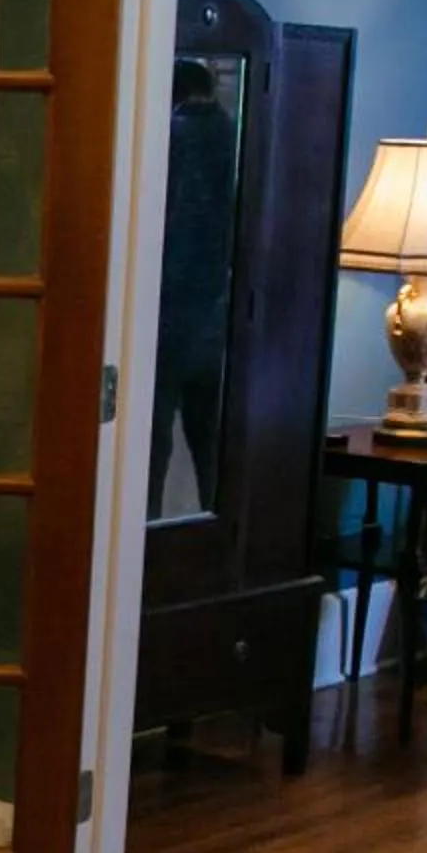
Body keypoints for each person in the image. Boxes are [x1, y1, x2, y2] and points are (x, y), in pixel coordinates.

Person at [151, 58, 242, 518]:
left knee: (152, 443)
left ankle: (141, 536)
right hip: (219, 313)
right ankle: (215, 536)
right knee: (211, 446)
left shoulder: (169, 136)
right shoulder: (235, 135)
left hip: (167, 310)